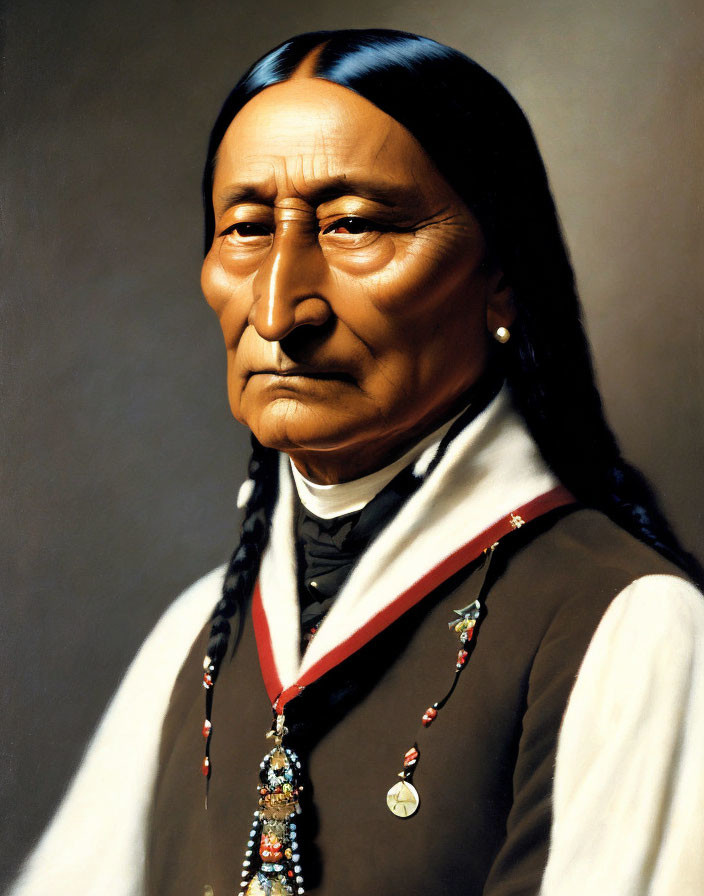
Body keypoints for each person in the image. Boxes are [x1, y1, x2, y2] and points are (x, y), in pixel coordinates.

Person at [9, 28, 704, 896]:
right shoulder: (195, 641)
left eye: (353, 226)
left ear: (503, 277)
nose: (277, 307)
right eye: (247, 228)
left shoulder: (632, 629)